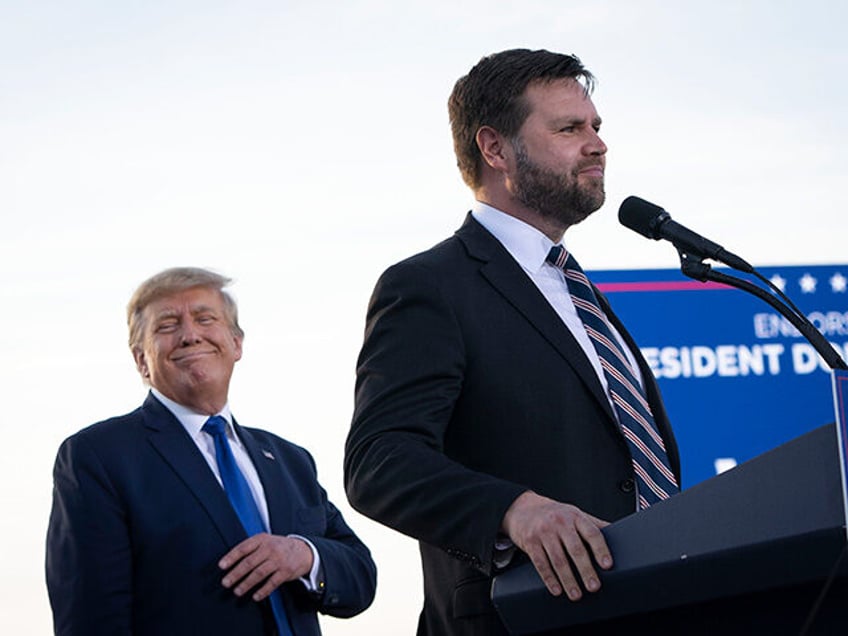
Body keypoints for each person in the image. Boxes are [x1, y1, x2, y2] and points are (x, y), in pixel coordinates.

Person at [343, 48, 681, 635]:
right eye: (569, 128)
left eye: (596, 127)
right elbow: (379, 460)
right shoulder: (429, 286)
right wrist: (512, 510)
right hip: (518, 619)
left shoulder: (582, 296)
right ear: (495, 149)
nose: (597, 144)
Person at [46, 267, 377, 636]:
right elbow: (91, 619)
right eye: (168, 325)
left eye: (205, 318)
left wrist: (303, 555)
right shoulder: (99, 457)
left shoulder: (290, 460)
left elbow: (361, 577)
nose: (190, 335)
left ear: (236, 343)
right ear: (141, 359)